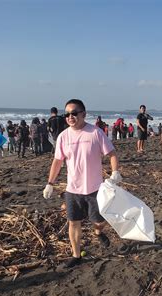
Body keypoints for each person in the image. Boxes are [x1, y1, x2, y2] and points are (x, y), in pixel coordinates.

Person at [43, 99, 122, 268]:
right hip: (73, 189)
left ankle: (98, 232)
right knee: (74, 222)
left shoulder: (95, 132)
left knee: (99, 221)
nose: (70, 117)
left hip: (95, 188)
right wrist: (50, 183)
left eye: (74, 113)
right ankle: (76, 255)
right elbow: (57, 161)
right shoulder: (63, 136)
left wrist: (115, 172)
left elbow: (112, 154)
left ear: (83, 114)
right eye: (67, 114)